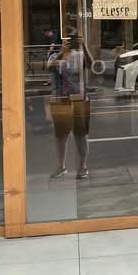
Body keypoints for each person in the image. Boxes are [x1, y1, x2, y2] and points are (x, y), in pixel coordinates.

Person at [47, 34, 90, 179]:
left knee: (81, 135)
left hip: (79, 100)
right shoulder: (54, 56)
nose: (69, 43)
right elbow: (50, 68)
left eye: (71, 40)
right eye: (66, 40)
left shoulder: (79, 55)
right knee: (61, 136)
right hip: (60, 101)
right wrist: (62, 52)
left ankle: (83, 167)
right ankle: (62, 167)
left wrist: (84, 46)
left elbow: (91, 66)